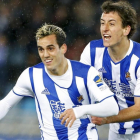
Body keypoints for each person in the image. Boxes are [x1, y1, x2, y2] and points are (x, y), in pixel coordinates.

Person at [0, 23, 119, 140]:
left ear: (63, 48)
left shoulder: (86, 73)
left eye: (50, 48)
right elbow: (6, 103)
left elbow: (112, 107)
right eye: (41, 49)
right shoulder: (31, 75)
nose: (45, 54)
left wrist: (80, 110)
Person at [80, 1, 140, 140]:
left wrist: (107, 119)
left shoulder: (138, 60)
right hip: (115, 131)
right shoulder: (92, 51)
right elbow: (80, 88)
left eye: (111, 24)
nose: (104, 29)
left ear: (126, 29)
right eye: (102, 23)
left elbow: (139, 109)